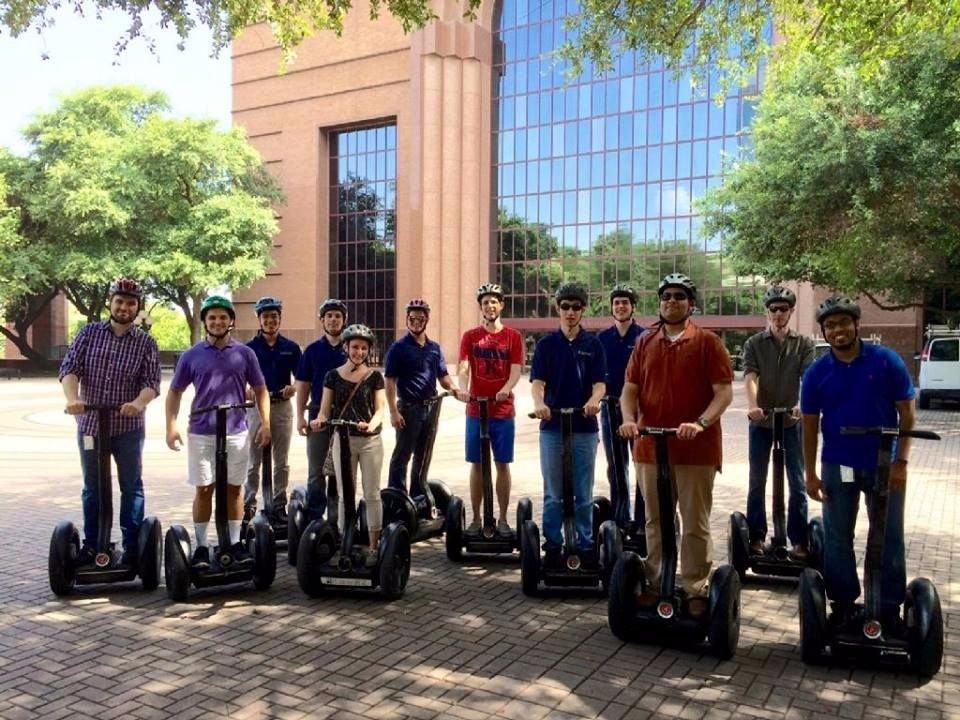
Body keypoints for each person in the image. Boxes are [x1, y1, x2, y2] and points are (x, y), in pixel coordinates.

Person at [619, 273, 733, 618]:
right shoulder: (645, 341)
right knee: (655, 520)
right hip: (650, 447)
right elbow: (630, 389)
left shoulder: (708, 342)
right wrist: (628, 419)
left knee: (695, 522)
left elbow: (724, 392)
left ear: (691, 304)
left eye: (679, 296)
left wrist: (699, 423)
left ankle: (695, 586)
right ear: (659, 302)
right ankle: (656, 583)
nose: (672, 301)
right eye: (666, 296)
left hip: (696, 451)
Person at [801, 295, 915, 626]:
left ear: (857, 325)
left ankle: (888, 605)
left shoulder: (886, 361)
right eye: (830, 325)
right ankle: (843, 603)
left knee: (888, 534)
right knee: (838, 535)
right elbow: (809, 427)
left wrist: (902, 463)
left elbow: (907, 414)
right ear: (823, 332)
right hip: (842, 467)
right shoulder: (817, 372)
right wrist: (810, 473)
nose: (837, 330)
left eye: (843, 322)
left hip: (883, 466)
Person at [59, 278, 161, 567]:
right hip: (91, 425)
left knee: (131, 486)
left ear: (137, 308)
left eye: (131, 303)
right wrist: (72, 398)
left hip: (127, 428)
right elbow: (70, 369)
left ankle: (131, 547)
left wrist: (138, 404)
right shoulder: (88, 333)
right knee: (93, 487)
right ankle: (93, 545)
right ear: (110, 303)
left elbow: (151, 383)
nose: (124, 307)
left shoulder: (146, 342)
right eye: (120, 301)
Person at [165, 295, 270, 568]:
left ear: (231, 321)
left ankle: (234, 543)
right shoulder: (192, 355)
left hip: (236, 429)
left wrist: (266, 423)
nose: (217, 321)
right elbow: (175, 391)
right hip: (202, 430)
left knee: (235, 489)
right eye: (212, 317)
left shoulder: (245, 353)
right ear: (205, 322)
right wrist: (171, 426)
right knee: (204, 488)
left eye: (223, 317)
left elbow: (260, 389)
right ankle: (201, 546)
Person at [530, 282, 606, 566]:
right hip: (552, 428)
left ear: (583, 309)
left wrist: (594, 400)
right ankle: (552, 545)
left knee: (583, 494)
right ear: (558, 309)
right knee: (553, 494)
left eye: (576, 307)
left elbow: (600, 384)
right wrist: (539, 404)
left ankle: (585, 546)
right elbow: (538, 383)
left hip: (584, 427)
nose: (570, 312)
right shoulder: (546, 345)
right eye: (565, 307)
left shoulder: (593, 344)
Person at [742, 285, 815, 557]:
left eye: (783, 309)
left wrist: (802, 405)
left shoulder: (803, 343)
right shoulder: (755, 343)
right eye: (773, 309)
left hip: (791, 422)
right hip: (762, 422)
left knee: (797, 481)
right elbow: (750, 376)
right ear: (768, 312)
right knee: (757, 481)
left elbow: (808, 377)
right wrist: (752, 406)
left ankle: (798, 540)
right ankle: (757, 537)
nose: (778, 314)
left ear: (791, 312)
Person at [311, 324, 386, 566]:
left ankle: (374, 546)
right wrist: (320, 420)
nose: (359, 352)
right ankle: (347, 542)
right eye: (355, 347)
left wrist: (372, 424)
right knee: (345, 494)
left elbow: (381, 409)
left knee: (372, 492)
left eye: (364, 348)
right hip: (341, 440)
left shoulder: (375, 376)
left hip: (369, 442)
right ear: (346, 347)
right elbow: (324, 410)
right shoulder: (332, 376)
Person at [456, 283, 524, 532]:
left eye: (494, 301)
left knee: (502, 464)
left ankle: (504, 519)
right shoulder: (470, 336)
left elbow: (516, 370)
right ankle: (475, 519)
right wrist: (463, 388)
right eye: (485, 302)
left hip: (503, 411)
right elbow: (463, 367)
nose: (490, 306)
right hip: (476, 410)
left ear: (501, 305)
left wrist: (507, 387)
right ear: (481, 307)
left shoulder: (513, 337)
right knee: (476, 463)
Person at [384, 298, 458, 495]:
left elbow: (443, 377)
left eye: (420, 318)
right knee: (402, 456)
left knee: (423, 456)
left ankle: (418, 495)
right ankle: (397, 497)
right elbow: (389, 381)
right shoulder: (398, 348)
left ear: (427, 320)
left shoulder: (434, 348)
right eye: (412, 318)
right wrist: (393, 412)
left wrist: (456, 389)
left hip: (431, 408)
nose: (416, 322)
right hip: (408, 409)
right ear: (407, 319)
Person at [243, 296, 302, 518]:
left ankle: (279, 502)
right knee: (253, 458)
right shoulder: (248, 349)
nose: (270, 320)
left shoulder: (291, 348)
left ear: (280, 319)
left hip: (282, 406)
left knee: (282, 460)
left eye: (274, 316)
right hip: (257, 408)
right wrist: (246, 390)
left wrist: (293, 388)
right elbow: (240, 379)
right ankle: (249, 502)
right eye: (266, 316)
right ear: (259, 320)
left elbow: (301, 379)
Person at [596, 283, 645, 531]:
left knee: (642, 463)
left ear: (632, 307)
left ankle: (642, 520)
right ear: (612, 308)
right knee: (616, 465)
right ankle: (620, 518)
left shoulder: (645, 337)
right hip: (610, 407)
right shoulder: (602, 339)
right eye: (616, 303)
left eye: (625, 302)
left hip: (640, 411)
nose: (621, 306)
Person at [295, 299, 348, 524]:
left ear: (344, 320)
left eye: (337, 316)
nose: (333, 320)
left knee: (339, 471)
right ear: (322, 321)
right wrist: (300, 416)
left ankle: (337, 520)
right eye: (329, 316)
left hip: (345, 417)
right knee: (317, 471)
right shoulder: (312, 351)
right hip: (317, 416)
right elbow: (303, 385)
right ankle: (316, 519)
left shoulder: (351, 348)